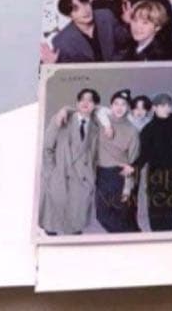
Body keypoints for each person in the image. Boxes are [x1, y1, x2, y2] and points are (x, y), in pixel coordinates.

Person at [39, 87, 100, 235]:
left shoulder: (96, 128)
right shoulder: (62, 119)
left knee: (74, 231)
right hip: (59, 177)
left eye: (90, 101)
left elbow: (95, 157)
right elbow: (47, 147)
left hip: (82, 182)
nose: (86, 103)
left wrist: (91, 180)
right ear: (77, 103)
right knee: (52, 229)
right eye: (82, 99)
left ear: (95, 105)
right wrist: (50, 174)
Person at [137, 93, 172, 231]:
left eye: (169, 105)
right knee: (156, 212)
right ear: (154, 108)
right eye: (162, 105)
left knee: (170, 212)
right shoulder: (148, 129)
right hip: (155, 177)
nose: (166, 108)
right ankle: (157, 239)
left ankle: (168, 240)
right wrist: (134, 167)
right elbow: (144, 154)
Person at [41, 0, 131, 63]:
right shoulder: (62, 41)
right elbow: (67, 72)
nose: (85, 10)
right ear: (69, 16)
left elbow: (124, 40)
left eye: (85, 4)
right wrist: (52, 65)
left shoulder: (106, 16)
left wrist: (129, 23)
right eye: (76, 9)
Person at [95, 90, 140, 233]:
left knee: (121, 214)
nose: (119, 108)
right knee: (102, 215)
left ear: (128, 108)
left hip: (119, 176)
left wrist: (129, 173)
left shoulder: (132, 130)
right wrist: (64, 110)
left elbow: (133, 157)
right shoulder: (101, 121)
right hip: (101, 174)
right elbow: (86, 109)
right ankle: (132, 236)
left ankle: (132, 238)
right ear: (111, 105)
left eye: (123, 104)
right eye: (116, 103)